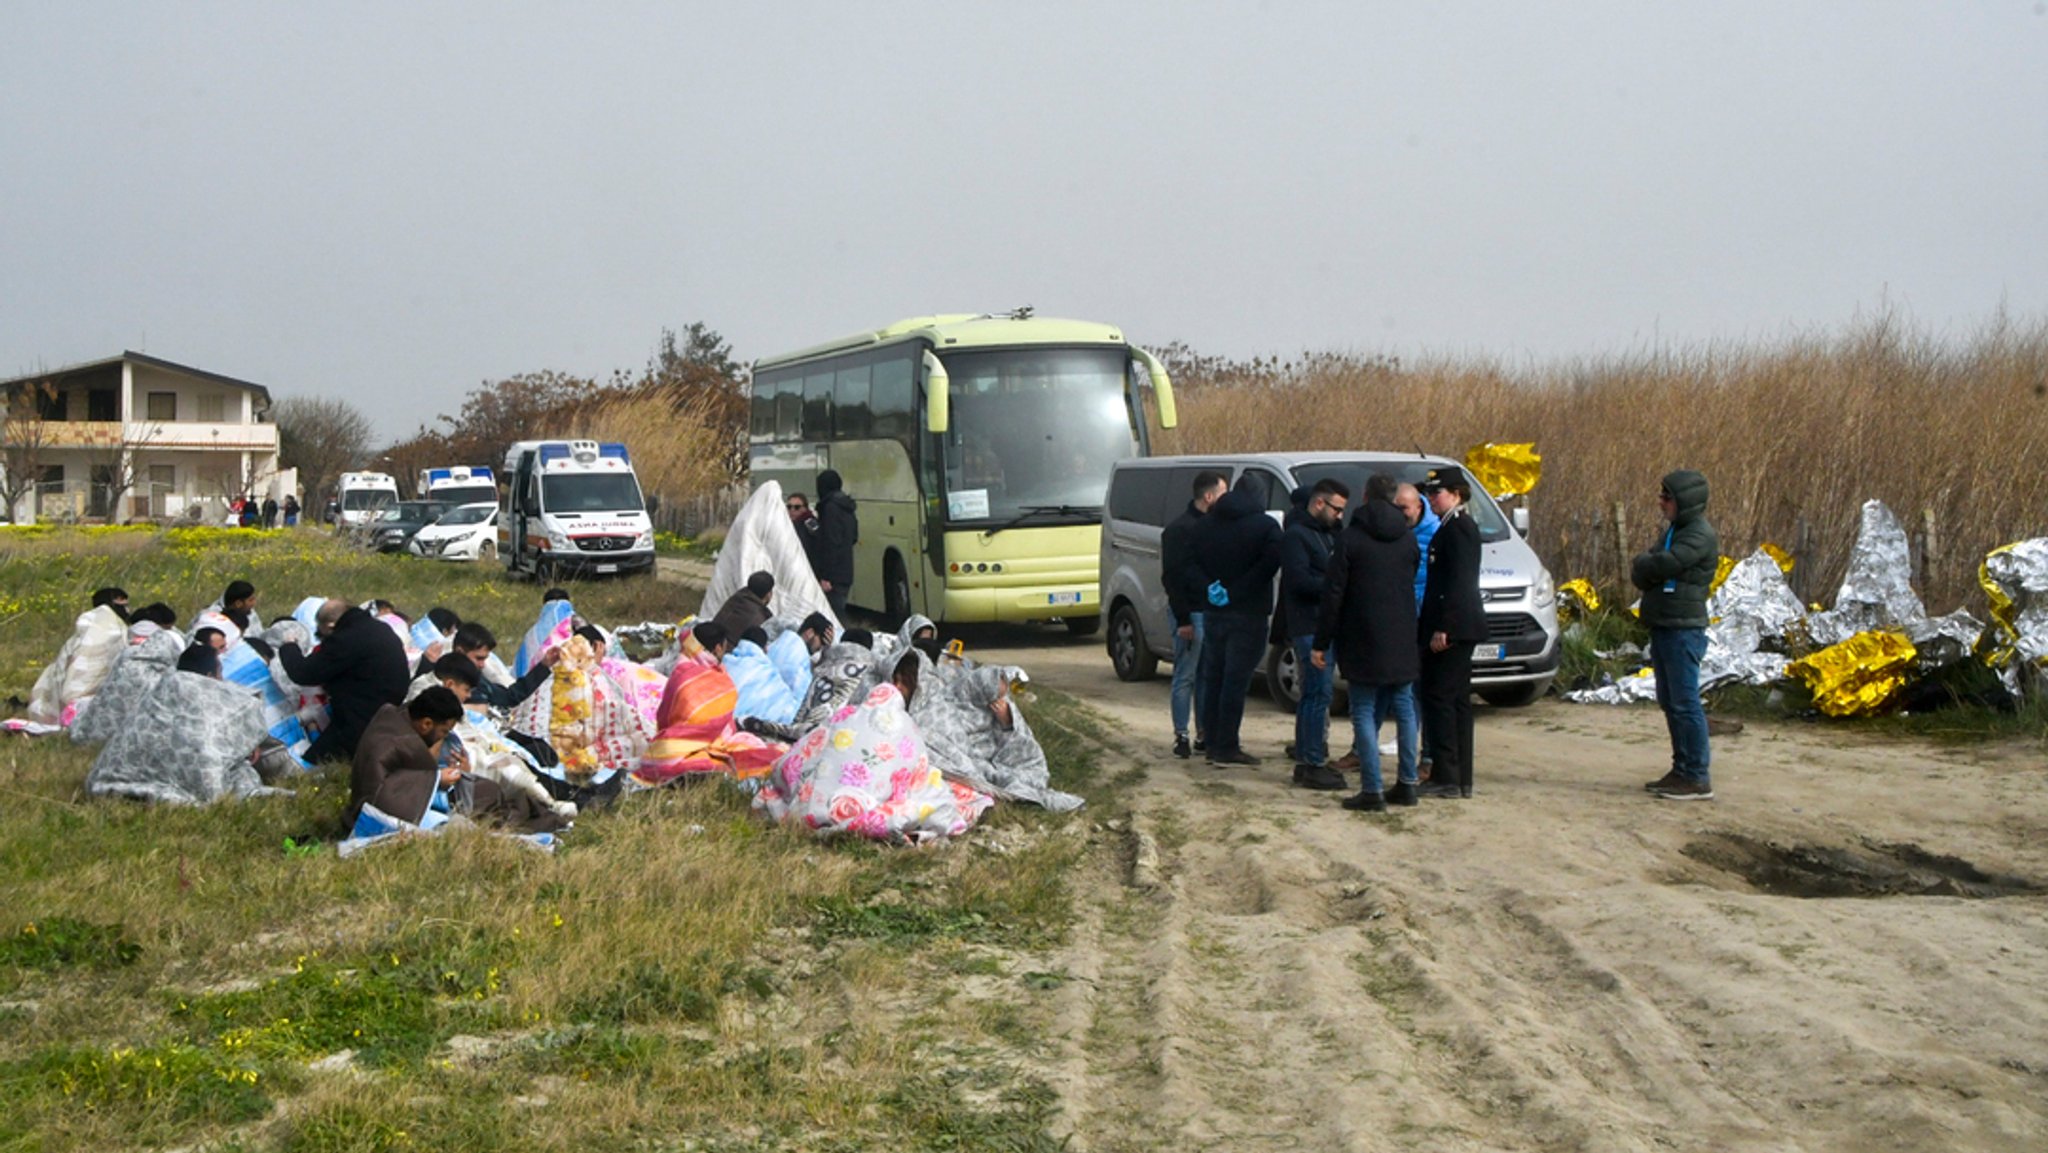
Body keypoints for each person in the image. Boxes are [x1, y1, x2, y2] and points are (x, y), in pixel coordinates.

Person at [1313, 474, 1420, 809]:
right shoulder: (1407, 538)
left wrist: (1321, 641)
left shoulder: (1350, 539)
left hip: (1362, 635)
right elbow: (1410, 578)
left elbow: (1334, 594)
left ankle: (1372, 790)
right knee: (1403, 708)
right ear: (1392, 499)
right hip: (1402, 634)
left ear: (1364, 495)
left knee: (1363, 708)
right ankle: (1407, 783)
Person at [1633, 470, 1720, 801]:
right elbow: (1646, 569)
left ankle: (1696, 774)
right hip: (1666, 624)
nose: (1661, 503)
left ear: (1684, 501)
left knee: (1685, 704)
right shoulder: (1676, 532)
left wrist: (1648, 564)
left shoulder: (1698, 535)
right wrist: (1647, 564)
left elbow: (1661, 565)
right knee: (1671, 701)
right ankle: (1681, 769)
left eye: (1667, 497)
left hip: (1684, 629)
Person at [1193, 472, 1284, 767]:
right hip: (1249, 612)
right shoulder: (1265, 526)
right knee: (1235, 681)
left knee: (1213, 677)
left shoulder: (1206, 524)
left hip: (1214, 610)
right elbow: (1270, 564)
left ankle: (1209, 739)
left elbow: (1190, 561)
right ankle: (1227, 745)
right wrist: (1238, 591)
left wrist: (1211, 587)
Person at [1416, 469, 1486, 800]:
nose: (1431, 499)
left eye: (1437, 493)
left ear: (1457, 494)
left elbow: (1458, 583)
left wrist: (1445, 626)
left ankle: (1447, 774)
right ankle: (1459, 777)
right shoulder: (1450, 527)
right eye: (1429, 494)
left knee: (1442, 699)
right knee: (1454, 699)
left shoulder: (1458, 529)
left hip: (1455, 626)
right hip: (1457, 623)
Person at [279, 597, 413, 763]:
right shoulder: (379, 628)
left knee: (312, 764)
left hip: (358, 722)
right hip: (384, 712)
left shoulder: (346, 638)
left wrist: (289, 646)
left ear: (330, 627)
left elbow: (304, 673)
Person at [1281, 478, 1348, 789]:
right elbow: (1298, 581)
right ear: (1319, 503)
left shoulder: (1333, 535)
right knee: (1316, 693)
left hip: (1328, 622)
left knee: (1319, 692)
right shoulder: (1297, 536)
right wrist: (1333, 586)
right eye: (1336, 509)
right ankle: (1311, 760)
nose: (1339, 515)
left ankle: (1313, 754)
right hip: (1308, 624)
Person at [1161, 470, 1226, 759]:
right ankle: (1181, 734)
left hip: (1208, 610)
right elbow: (1172, 578)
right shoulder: (1179, 530)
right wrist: (1184, 618)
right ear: (1209, 496)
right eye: (1223, 493)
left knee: (1205, 675)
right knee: (1185, 675)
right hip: (1190, 612)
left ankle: (1204, 732)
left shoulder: (1213, 527)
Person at [449, 622, 559, 710]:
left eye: (484, 659)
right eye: (478, 658)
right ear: (460, 652)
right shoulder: (443, 679)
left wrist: (544, 665)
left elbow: (508, 697)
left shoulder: (478, 680)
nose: (482, 665)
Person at [809, 469, 858, 618]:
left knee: (832, 617)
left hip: (833, 576)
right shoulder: (847, 507)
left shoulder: (830, 508)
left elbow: (831, 543)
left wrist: (826, 576)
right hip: (846, 572)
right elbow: (854, 537)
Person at [713, 570, 776, 639]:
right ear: (768, 594)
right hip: (725, 648)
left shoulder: (737, 598)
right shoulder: (761, 618)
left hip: (709, 640)